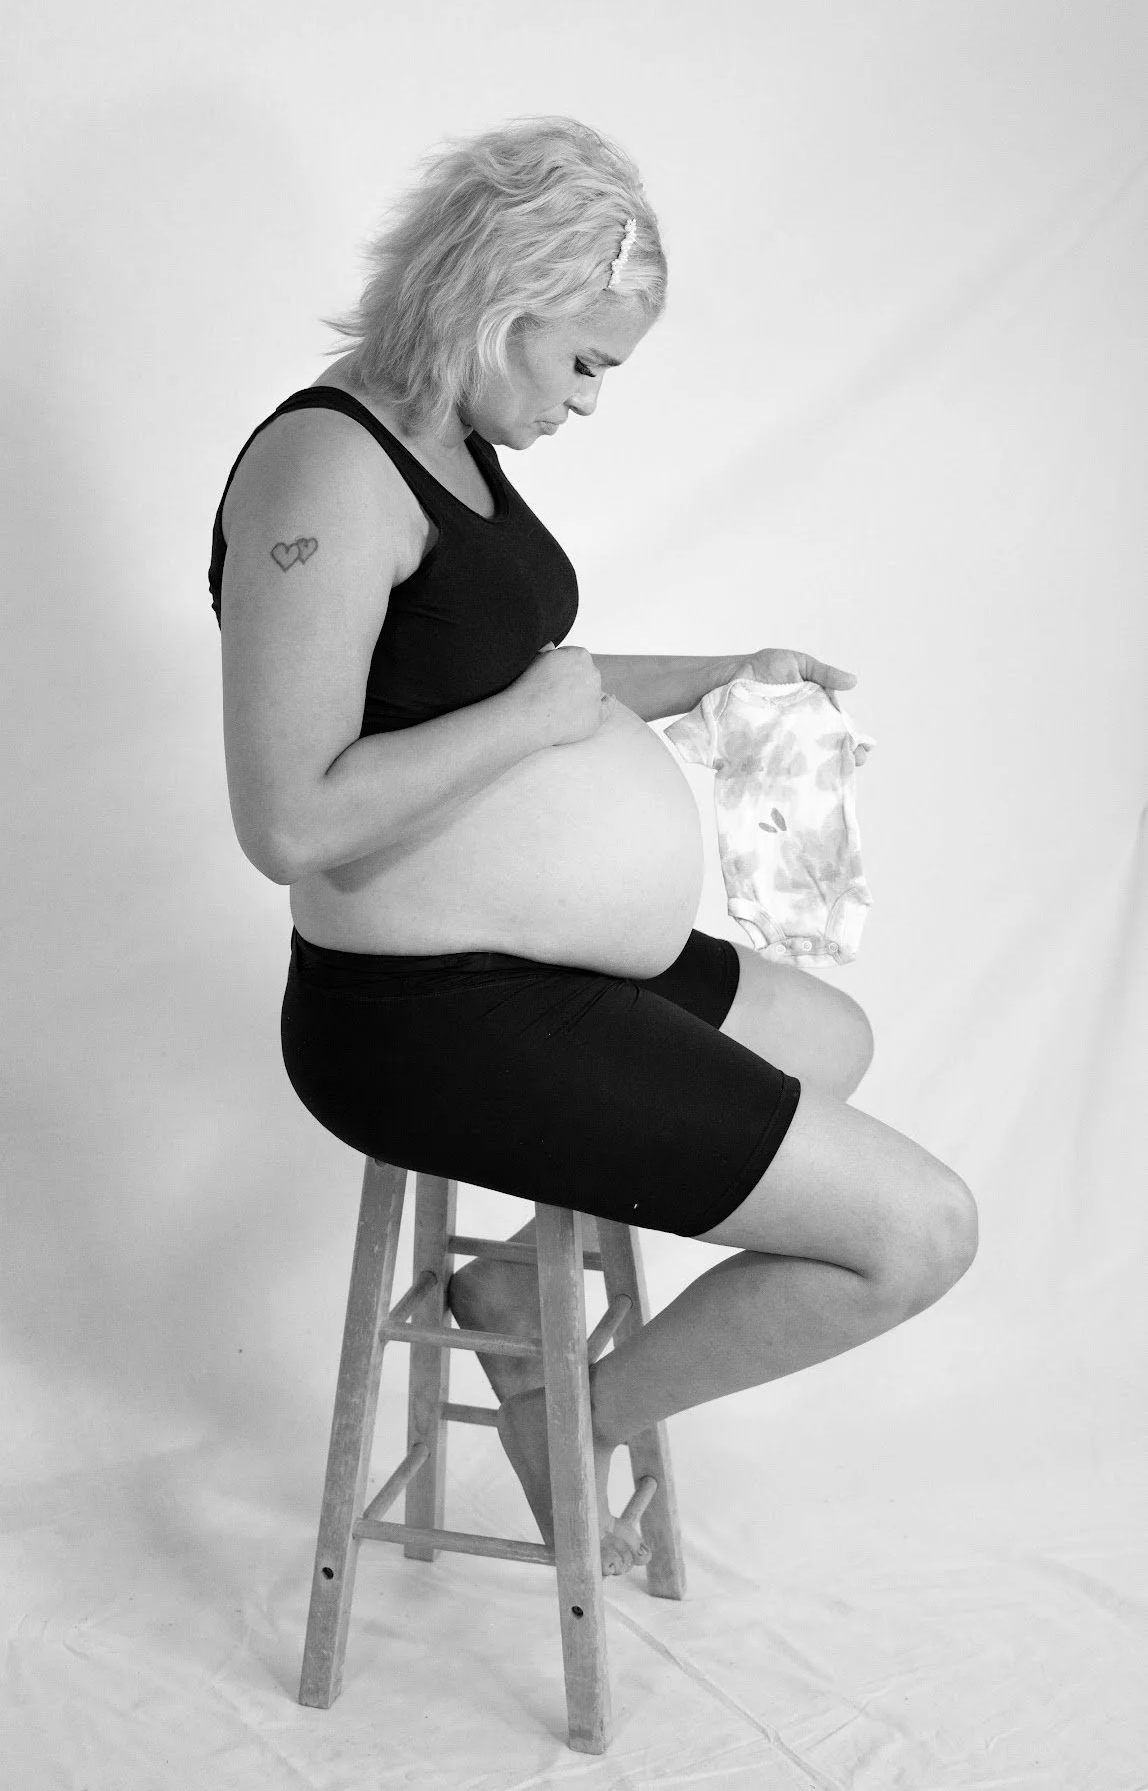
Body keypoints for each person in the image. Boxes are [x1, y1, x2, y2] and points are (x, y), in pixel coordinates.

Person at [209, 116, 977, 1577]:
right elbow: (286, 818)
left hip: (520, 969)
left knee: (829, 1035)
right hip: (418, 1017)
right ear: (499, 302)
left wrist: (718, 674)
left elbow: (518, 674)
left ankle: (512, 1300)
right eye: (583, 362)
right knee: (918, 1233)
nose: (588, 400)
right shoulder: (325, 473)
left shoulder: (448, 443)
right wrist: (537, 716)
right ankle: (578, 1420)